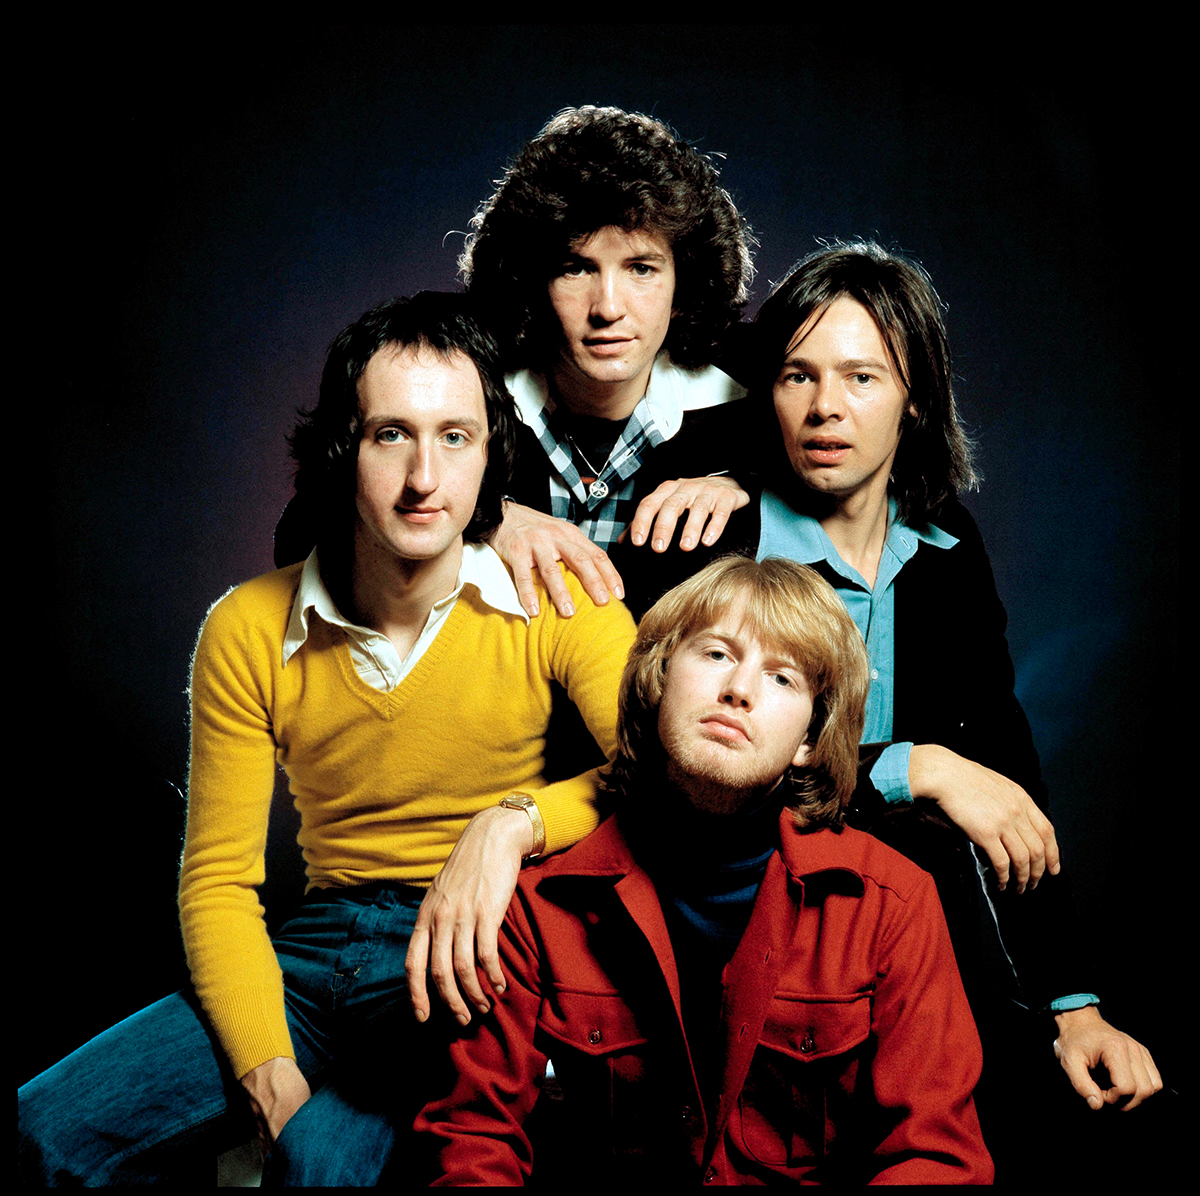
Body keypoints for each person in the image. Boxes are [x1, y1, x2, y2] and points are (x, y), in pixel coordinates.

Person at [18, 292, 636, 1186]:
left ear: (490, 455)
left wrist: (512, 823)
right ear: (345, 451)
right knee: (43, 1132)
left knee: (323, 1171)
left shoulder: (558, 599)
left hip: (460, 949)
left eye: (456, 437)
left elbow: (654, 777)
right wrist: (269, 1073)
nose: (425, 475)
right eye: (392, 435)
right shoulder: (246, 625)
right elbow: (219, 881)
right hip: (306, 952)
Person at [612, 242, 1162, 1136]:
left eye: (862, 377)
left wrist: (1074, 1005)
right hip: (741, 920)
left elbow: (1008, 775)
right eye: (798, 376)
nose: (826, 407)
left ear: (915, 399)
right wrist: (919, 765)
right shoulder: (709, 533)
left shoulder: (948, 547)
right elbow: (685, 772)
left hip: (913, 947)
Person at [417, 556, 994, 1185]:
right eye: (717, 654)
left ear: (808, 738)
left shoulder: (891, 903)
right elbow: (472, 1140)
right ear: (659, 678)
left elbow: (934, 1158)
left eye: (781, 678)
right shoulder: (539, 904)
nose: (739, 689)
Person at [459, 104, 760, 620]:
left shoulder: (748, 403)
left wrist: (749, 485)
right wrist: (488, 519)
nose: (609, 308)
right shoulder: (466, 387)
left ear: (682, 285)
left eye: (641, 268)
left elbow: (881, 495)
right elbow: (304, 529)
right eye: (576, 269)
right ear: (533, 283)